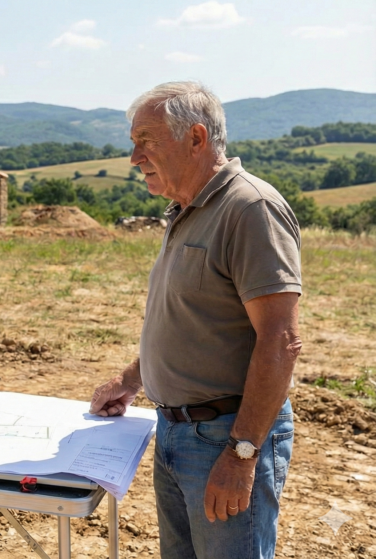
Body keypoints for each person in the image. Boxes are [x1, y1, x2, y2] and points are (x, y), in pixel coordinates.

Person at [89, 82, 302, 559]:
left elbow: (281, 340)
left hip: (223, 438)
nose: (133, 156)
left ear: (196, 138)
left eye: (146, 140)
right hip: (175, 433)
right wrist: (131, 378)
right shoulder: (185, 210)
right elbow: (191, 321)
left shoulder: (251, 209)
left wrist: (241, 453)